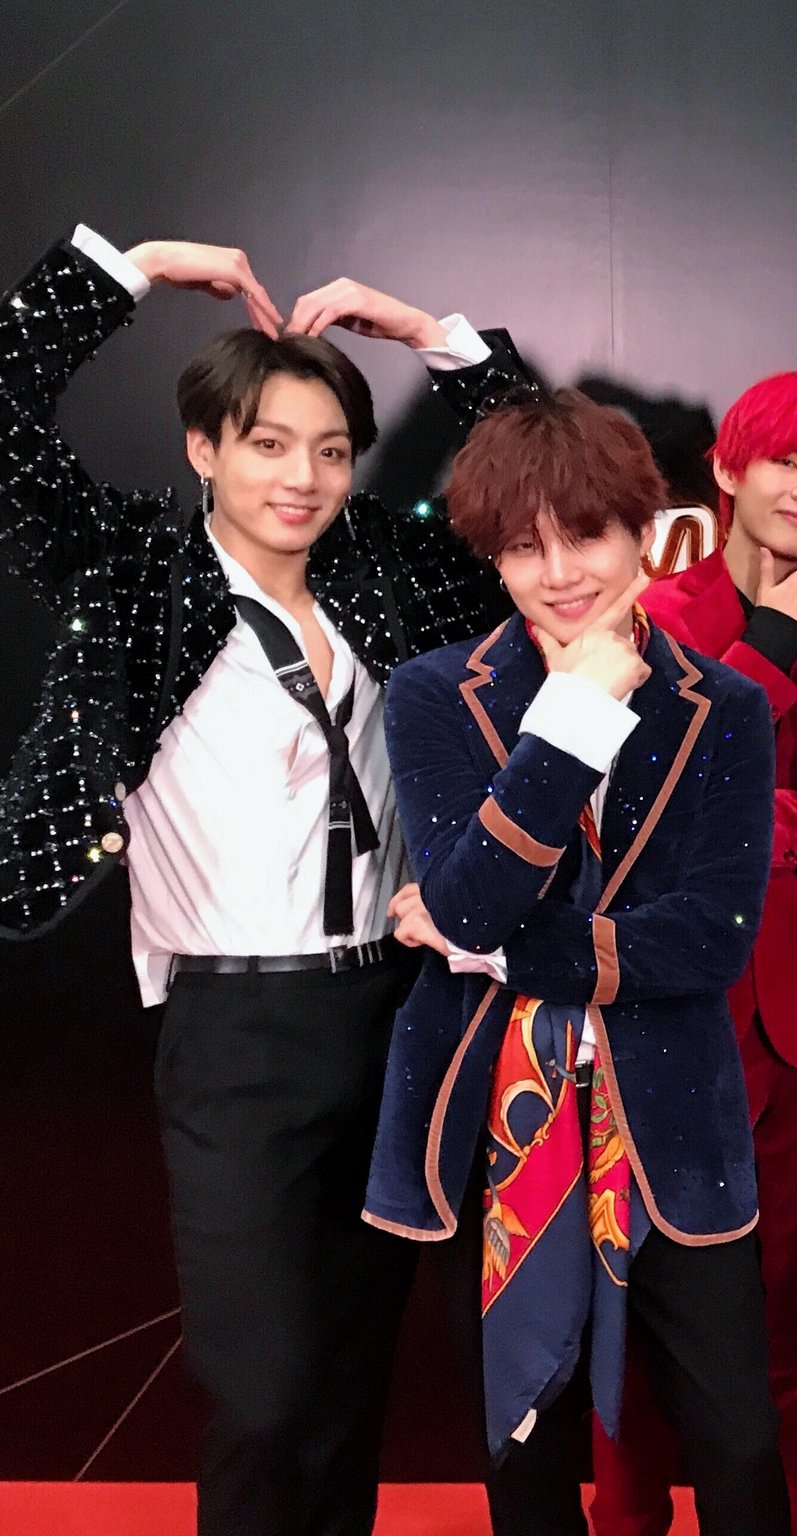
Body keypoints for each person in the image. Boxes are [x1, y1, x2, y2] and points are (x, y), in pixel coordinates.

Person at [0, 224, 530, 1536]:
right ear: (204, 450)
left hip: (396, 1013)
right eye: (269, 444)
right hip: (236, 1032)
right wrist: (127, 268)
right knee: (266, 1391)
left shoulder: (394, 575)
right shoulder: (136, 575)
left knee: (346, 1389)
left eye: (332, 450)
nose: (303, 478)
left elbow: (545, 490)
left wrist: (430, 337)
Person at [360, 387, 786, 1535]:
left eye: (586, 535)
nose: (558, 574)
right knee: (524, 1441)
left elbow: (710, 939)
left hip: (671, 1112)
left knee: (737, 1442)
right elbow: (471, 900)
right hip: (490, 1117)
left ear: (643, 528)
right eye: (522, 546)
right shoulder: (434, 693)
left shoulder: (725, 706)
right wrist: (574, 720)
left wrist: (497, 953)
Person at [592, 371, 797, 1535]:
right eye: (784, 462)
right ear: (726, 469)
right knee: (636, 1300)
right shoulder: (648, 614)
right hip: (662, 1013)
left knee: (789, 1310)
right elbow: (635, 802)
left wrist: (754, 817)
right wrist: (768, 649)